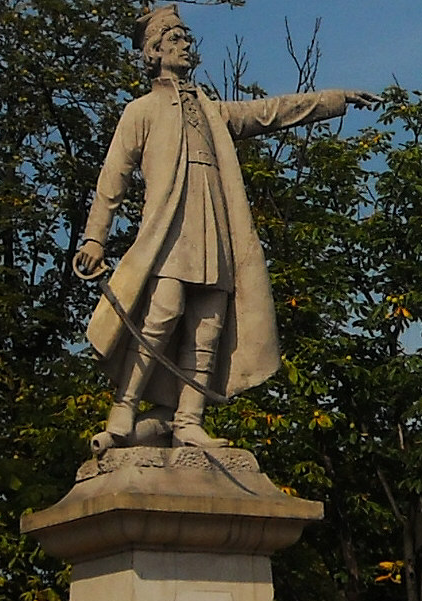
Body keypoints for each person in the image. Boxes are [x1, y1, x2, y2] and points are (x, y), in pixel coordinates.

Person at [74, 3, 378, 449]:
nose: (186, 44)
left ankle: (189, 420)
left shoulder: (213, 111)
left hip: (214, 225)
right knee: (162, 312)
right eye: (175, 38)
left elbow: (271, 112)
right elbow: (112, 179)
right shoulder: (141, 111)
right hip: (170, 232)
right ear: (154, 52)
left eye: (186, 37)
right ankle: (125, 406)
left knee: (208, 322)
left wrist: (332, 100)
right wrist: (95, 237)